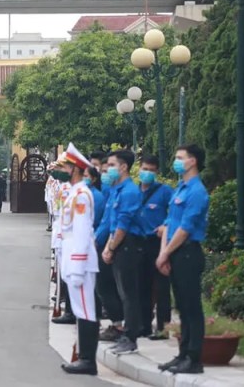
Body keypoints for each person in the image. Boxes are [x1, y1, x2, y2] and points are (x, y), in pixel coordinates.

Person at [156, 144, 209, 375]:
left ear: (193, 161)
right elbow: (169, 223)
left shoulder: (197, 191)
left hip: (188, 252)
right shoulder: (180, 189)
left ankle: (194, 358)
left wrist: (166, 252)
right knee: (182, 307)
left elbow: (186, 228)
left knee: (192, 308)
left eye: (180, 158)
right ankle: (183, 353)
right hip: (175, 252)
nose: (176, 161)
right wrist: (164, 252)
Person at [59, 144, 99, 376]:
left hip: (80, 262)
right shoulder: (75, 192)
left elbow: (83, 231)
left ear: (75, 169)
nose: (63, 170)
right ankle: (84, 357)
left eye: (65, 166)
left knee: (85, 310)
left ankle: (87, 360)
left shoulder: (82, 195)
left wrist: (77, 263)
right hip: (74, 259)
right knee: (81, 308)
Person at [102, 150, 144, 355]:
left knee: (129, 295)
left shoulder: (129, 191)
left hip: (127, 245)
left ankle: (130, 336)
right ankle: (126, 335)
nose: (108, 169)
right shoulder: (117, 190)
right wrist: (108, 247)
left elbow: (123, 225)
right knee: (123, 293)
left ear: (123, 167)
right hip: (119, 244)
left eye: (111, 165)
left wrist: (110, 247)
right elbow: (112, 224)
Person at [136, 155, 174, 340]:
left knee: (161, 287)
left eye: (151, 170)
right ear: (139, 170)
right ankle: (144, 325)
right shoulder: (135, 192)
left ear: (157, 172)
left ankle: (162, 327)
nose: (147, 173)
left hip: (157, 242)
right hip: (138, 242)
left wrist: (165, 225)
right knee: (141, 286)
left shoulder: (164, 191)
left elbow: (175, 212)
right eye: (145, 169)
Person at [94, 159, 125, 342]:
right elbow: (107, 222)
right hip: (106, 243)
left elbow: (119, 224)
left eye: (109, 168)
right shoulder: (113, 191)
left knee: (118, 289)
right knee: (104, 286)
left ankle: (121, 327)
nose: (105, 173)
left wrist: (108, 246)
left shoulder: (125, 192)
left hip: (119, 245)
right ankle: (117, 324)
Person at [50, 154, 76, 325]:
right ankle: (64, 299)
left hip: (69, 238)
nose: (58, 171)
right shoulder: (64, 186)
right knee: (63, 272)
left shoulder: (73, 190)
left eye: (62, 168)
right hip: (61, 232)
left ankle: (68, 306)